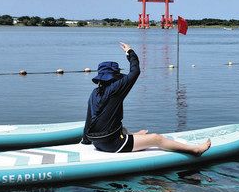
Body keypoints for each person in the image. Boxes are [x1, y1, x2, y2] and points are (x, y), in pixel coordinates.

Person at [82, 42, 211, 155]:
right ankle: (195, 150)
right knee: (156, 138)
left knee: (121, 128)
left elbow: (90, 119)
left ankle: (133, 135)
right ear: (114, 77)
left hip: (96, 142)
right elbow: (135, 72)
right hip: (112, 144)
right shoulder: (115, 89)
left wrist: (85, 141)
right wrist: (130, 52)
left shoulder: (94, 93)